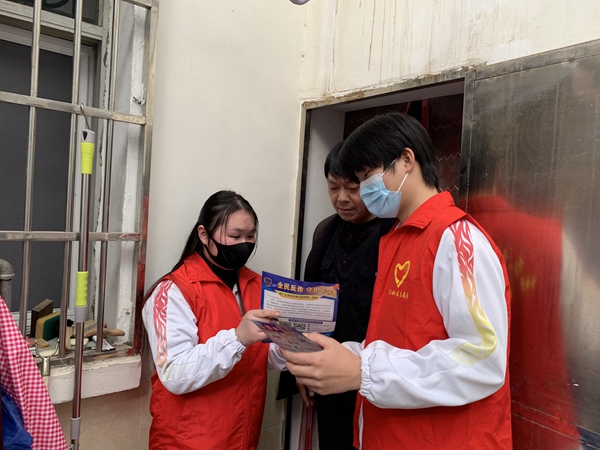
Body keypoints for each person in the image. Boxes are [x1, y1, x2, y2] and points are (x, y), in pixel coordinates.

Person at [283, 113, 512, 449]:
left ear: (406, 160)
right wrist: (340, 355)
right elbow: (397, 340)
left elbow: (482, 358)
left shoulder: (457, 241)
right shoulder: (398, 239)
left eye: (367, 177)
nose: (363, 191)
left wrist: (363, 371)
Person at [142, 190, 286, 450]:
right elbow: (174, 372)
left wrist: (291, 346)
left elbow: (262, 356)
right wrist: (237, 339)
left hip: (242, 438)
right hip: (188, 443)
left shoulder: (257, 285)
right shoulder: (173, 290)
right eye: (235, 236)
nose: (244, 244)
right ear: (204, 234)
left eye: (250, 236)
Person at [278, 143, 395, 450]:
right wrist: (302, 367)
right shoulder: (324, 232)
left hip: (376, 373)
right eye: (333, 187)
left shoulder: (395, 234)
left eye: (353, 188)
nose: (341, 198)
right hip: (325, 372)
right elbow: (306, 306)